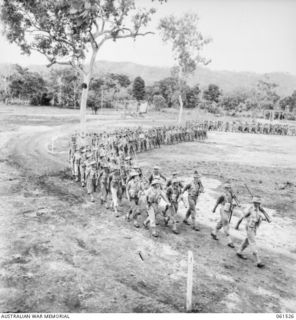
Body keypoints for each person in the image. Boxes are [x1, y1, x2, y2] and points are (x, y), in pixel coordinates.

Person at [235, 196, 269, 268]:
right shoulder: (251, 209)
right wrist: (237, 224)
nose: (256, 204)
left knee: (247, 241)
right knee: (253, 243)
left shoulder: (259, 211)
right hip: (250, 228)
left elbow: (269, 220)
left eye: (258, 203)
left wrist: (263, 211)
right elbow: (243, 216)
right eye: (255, 203)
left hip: (254, 229)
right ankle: (258, 261)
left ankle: (239, 252)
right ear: (253, 203)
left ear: (260, 203)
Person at [211, 183, 239, 248]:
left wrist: (237, 203)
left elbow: (235, 199)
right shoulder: (222, 195)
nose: (228, 189)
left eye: (229, 188)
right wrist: (214, 209)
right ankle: (229, 241)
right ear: (225, 188)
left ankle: (214, 233)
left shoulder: (231, 194)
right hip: (223, 209)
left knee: (222, 222)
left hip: (229, 210)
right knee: (226, 223)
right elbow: (217, 202)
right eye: (227, 188)